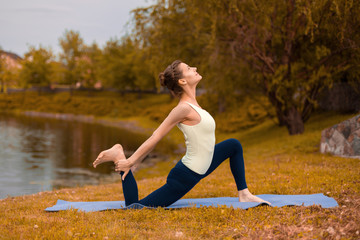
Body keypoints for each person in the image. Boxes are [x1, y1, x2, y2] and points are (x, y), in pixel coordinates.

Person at [93, 60, 270, 207]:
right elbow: (156, 136)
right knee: (136, 208)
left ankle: (244, 193)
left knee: (233, 145)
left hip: (204, 164)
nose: (195, 69)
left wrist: (137, 160)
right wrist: (131, 161)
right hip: (186, 175)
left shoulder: (195, 105)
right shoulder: (182, 109)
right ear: (182, 81)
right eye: (189, 69)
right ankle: (119, 156)